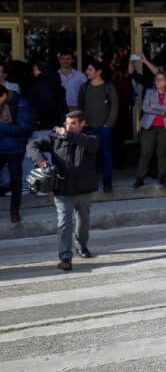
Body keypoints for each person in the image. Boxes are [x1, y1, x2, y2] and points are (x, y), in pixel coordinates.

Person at [28, 111, 100, 271]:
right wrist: (41, 161)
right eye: (67, 123)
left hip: (84, 189)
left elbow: (91, 144)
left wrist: (67, 134)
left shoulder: (91, 136)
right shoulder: (56, 136)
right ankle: (65, 257)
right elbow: (32, 145)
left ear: (83, 124)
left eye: (73, 123)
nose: (68, 126)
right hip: (62, 188)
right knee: (64, 222)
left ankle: (81, 245)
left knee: (83, 221)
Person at [78, 63, 119, 193]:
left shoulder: (108, 87)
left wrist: (108, 124)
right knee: (87, 158)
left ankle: (107, 184)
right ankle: (89, 184)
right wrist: (81, 122)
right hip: (88, 128)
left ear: (99, 72)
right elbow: (80, 106)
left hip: (104, 128)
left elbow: (114, 107)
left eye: (90, 69)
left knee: (106, 156)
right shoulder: (84, 87)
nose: (87, 71)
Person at [135, 72, 166, 188]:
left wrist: (155, 107)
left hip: (165, 127)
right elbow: (145, 107)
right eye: (156, 79)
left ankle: (162, 178)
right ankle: (140, 178)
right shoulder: (149, 92)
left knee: (161, 153)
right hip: (149, 126)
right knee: (145, 152)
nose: (157, 81)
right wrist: (163, 110)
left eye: (160, 79)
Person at [0, 86, 33, 223]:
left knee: (16, 180)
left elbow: (22, 127)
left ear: (3, 95)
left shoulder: (21, 103)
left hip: (15, 147)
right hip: (2, 146)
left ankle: (15, 211)